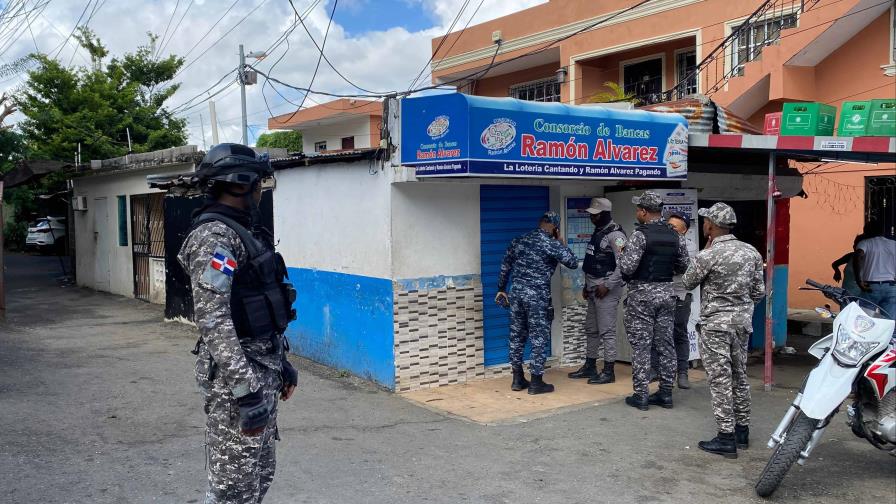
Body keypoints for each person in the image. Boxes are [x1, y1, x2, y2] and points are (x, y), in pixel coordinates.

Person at [178, 143, 299, 503]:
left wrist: (282, 365)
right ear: (240, 183)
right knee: (232, 489)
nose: (261, 191)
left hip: (262, 368)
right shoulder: (215, 238)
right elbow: (214, 321)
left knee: (258, 476)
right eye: (259, 183)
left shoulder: (243, 232)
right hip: (237, 382)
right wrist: (246, 393)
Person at [682, 202, 764, 459]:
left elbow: (687, 282)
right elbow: (758, 292)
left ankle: (725, 437)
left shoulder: (708, 255)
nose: (704, 223)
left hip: (716, 326)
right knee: (739, 376)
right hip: (741, 324)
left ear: (712, 226)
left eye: (706, 220)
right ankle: (742, 431)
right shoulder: (751, 252)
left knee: (720, 380)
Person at [618, 191, 689, 410]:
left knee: (642, 346)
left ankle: (641, 395)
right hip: (667, 295)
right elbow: (684, 266)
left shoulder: (640, 235)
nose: (637, 212)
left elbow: (627, 268)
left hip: (642, 297)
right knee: (665, 344)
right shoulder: (675, 235)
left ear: (644, 211)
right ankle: (666, 393)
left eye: (638, 209)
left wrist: (621, 255)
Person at [496, 211, 578, 395]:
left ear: (540, 222)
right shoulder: (551, 244)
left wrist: (501, 288)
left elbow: (504, 267)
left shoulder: (518, 241)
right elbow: (572, 262)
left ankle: (517, 379)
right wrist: (561, 243)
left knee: (516, 336)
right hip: (537, 297)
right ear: (555, 227)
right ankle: (536, 383)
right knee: (538, 337)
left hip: (516, 294)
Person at [567, 198, 627, 385]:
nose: (592, 218)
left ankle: (609, 371)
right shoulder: (599, 231)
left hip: (606, 289)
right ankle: (590, 365)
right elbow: (592, 261)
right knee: (591, 329)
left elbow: (623, 265)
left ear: (606, 214)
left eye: (596, 215)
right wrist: (586, 286)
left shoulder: (616, 235)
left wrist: (607, 285)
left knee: (607, 331)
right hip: (593, 287)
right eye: (591, 215)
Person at [649, 210, 693, 389]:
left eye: (673, 227)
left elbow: (686, 269)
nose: (669, 229)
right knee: (654, 331)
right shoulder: (660, 242)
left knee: (679, 333)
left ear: (684, 231)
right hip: (660, 293)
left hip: (680, 294)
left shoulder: (688, 245)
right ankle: (655, 369)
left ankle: (682, 372)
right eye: (668, 225)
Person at [854, 222, 896, 320]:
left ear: (867, 231)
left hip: (871, 286)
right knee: (890, 322)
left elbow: (858, 256)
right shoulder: (893, 244)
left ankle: (869, 335)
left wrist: (859, 280)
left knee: (865, 321)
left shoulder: (864, 243)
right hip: (891, 286)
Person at [831, 234, 865, 304]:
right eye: (854, 244)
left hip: (862, 296)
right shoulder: (850, 256)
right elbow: (835, 264)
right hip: (846, 293)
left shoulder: (871, 259)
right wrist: (837, 272)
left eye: (857, 245)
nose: (854, 246)